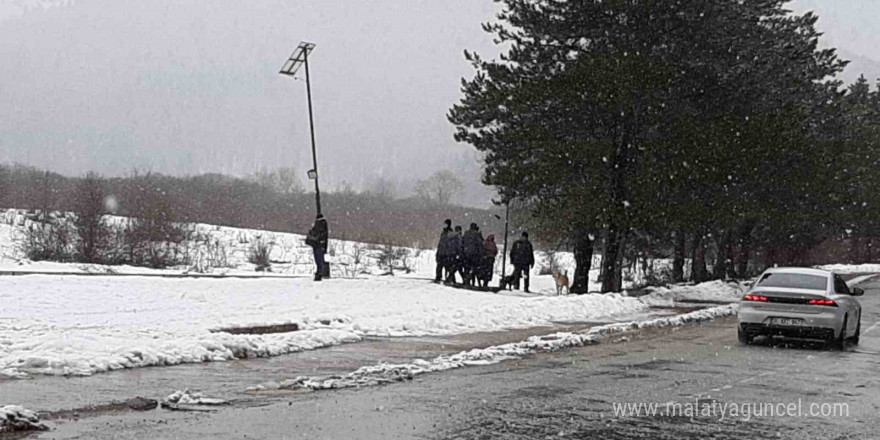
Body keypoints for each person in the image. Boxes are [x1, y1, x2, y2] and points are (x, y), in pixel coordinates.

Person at [306, 213, 329, 281]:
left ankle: (319, 274)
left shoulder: (318, 224)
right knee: (320, 260)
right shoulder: (324, 224)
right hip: (320, 244)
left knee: (318, 260)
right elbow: (324, 235)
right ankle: (320, 273)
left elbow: (316, 233)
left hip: (317, 245)